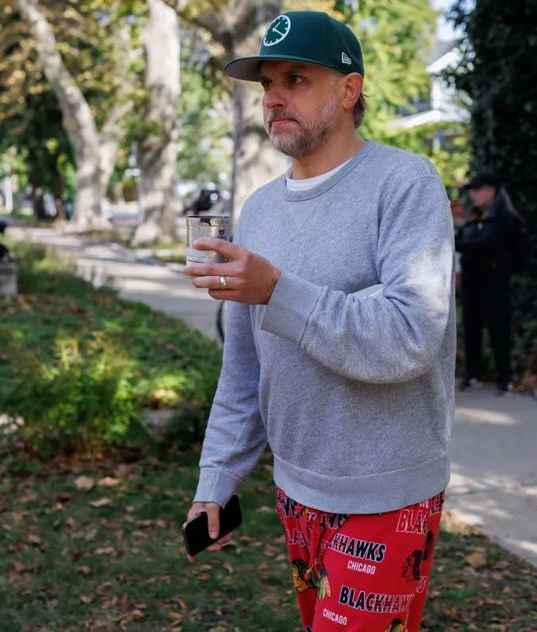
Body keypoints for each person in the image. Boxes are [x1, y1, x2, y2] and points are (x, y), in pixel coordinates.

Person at [181, 11, 456, 631]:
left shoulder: (404, 183)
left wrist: (276, 289)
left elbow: (409, 337)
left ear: (349, 90)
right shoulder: (258, 210)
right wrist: (217, 477)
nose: (275, 97)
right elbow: (244, 364)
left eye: (297, 79)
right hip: (297, 490)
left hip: (388, 495)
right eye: (268, 83)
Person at [454, 173, 523, 394]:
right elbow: (467, 237)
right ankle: (472, 375)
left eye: (477, 190)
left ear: (491, 191)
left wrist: (456, 243)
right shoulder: (476, 214)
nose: (473, 194)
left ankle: (505, 379)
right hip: (471, 280)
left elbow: (488, 243)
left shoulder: (503, 217)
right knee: (471, 327)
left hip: (494, 281)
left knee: (498, 329)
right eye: (472, 190)